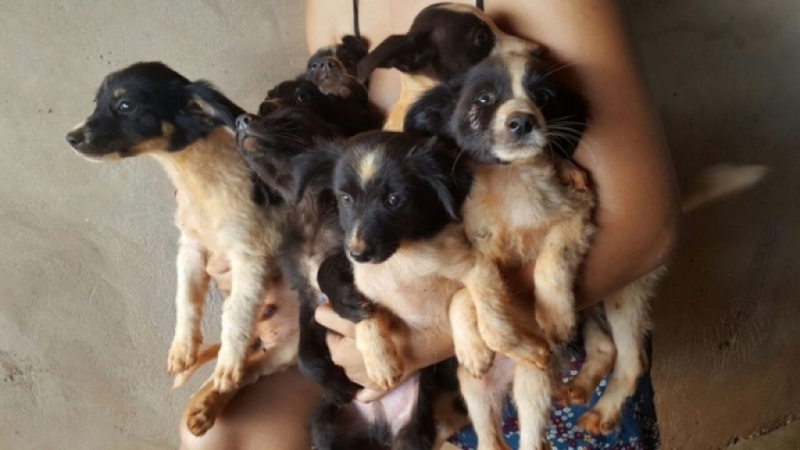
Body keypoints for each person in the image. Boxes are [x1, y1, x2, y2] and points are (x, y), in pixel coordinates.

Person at [180, 0, 680, 449]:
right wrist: (292, 287)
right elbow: (349, 166)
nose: (522, 46)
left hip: (509, 319)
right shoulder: (333, 9)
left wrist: (429, 340)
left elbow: (649, 231)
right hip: (390, 305)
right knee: (217, 438)